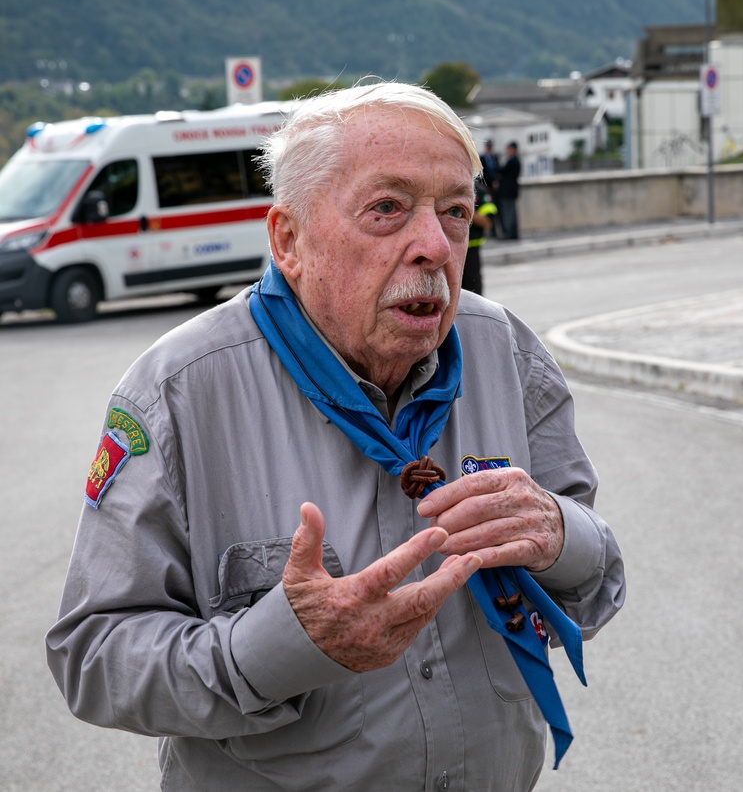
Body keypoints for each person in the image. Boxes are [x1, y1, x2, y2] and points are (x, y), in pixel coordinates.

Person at [45, 82, 625, 791]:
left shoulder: (507, 352)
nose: (434, 246)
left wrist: (560, 534)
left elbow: (595, 583)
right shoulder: (178, 391)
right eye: (387, 209)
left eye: (454, 213)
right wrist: (279, 648)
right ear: (289, 240)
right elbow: (94, 658)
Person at [462, 178, 497, 296]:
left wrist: (463, 211)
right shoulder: (447, 188)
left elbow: (487, 222)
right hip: (448, 251)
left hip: (471, 251)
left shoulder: (480, 191)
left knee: (473, 291)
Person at [496, 140, 522, 240]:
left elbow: (501, 170)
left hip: (507, 192)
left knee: (508, 214)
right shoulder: (516, 161)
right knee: (512, 213)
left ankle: (508, 233)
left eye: (509, 149)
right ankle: (513, 233)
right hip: (512, 192)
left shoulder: (512, 161)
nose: (508, 151)